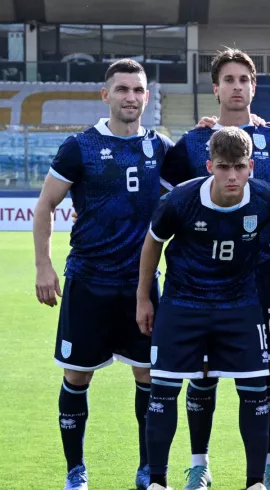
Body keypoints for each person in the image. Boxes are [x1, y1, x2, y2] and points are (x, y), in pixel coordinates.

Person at [33, 59, 173, 490]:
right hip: (89, 282)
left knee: (148, 376)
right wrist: (43, 265)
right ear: (106, 95)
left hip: (142, 288)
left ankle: (148, 469)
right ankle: (76, 470)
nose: (131, 97)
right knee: (77, 376)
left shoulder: (163, 148)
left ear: (146, 97)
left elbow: (203, 177)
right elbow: (44, 207)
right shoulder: (80, 146)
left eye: (138, 90)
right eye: (123, 89)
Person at [160, 48, 270, 490]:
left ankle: (266, 466)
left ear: (254, 87)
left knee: (265, 372)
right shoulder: (191, 143)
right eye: (229, 79)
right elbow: (169, 207)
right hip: (201, 282)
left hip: (259, 281)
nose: (237, 87)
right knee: (202, 372)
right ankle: (200, 465)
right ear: (215, 88)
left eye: (244, 79)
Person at [137, 127, 270, 490]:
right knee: (163, 391)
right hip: (182, 304)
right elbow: (152, 244)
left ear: (251, 166)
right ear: (210, 166)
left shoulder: (267, 199)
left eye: (239, 166)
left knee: (255, 389)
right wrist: (144, 297)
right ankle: (158, 481)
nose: (232, 175)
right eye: (223, 167)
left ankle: (255, 481)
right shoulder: (180, 199)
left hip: (239, 305)